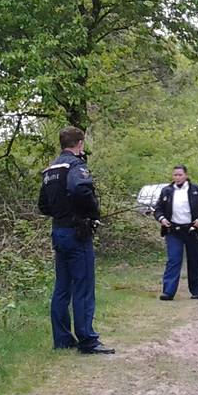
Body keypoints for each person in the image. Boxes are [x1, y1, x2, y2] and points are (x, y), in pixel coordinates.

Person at [37, 126, 115, 355]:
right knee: (83, 287)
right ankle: (87, 340)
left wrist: (61, 212)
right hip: (76, 233)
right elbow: (81, 189)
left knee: (62, 287)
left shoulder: (50, 170)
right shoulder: (75, 166)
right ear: (79, 143)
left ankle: (62, 340)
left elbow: (43, 205)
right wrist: (93, 214)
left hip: (58, 232)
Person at [153, 165, 198, 300]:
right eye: (175, 175)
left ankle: (197, 290)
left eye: (180, 175)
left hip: (193, 230)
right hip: (174, 231)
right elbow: (158, 209)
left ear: (186, 175)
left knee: (195, 261)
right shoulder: (166, 191)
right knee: (173, 260)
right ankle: (168, 291)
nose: (177, 177)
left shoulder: (196, 190)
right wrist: (162, 219)